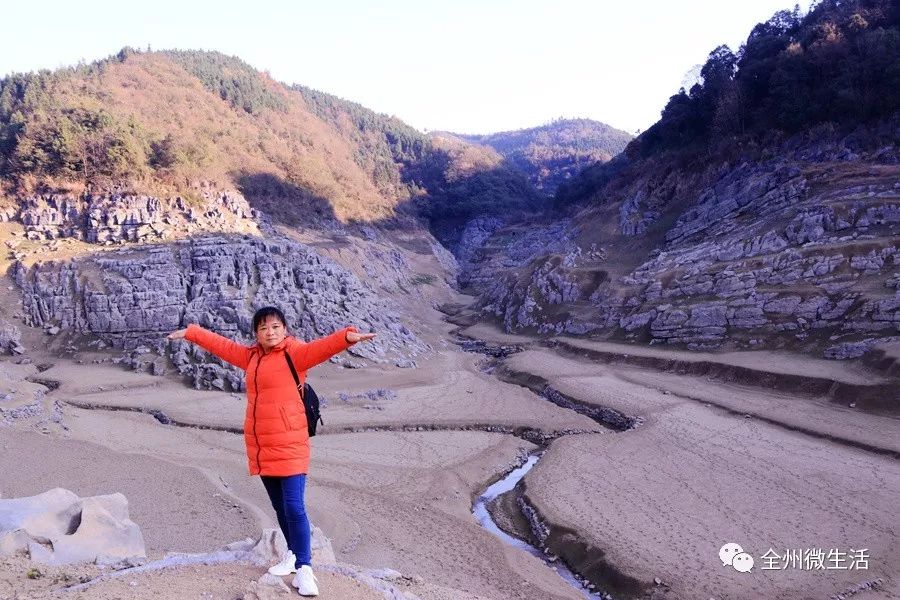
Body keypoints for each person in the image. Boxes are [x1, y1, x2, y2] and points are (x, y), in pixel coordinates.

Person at [167, 307, 376, 596]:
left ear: (285, 328)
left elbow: (322, 348)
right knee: (280, 507)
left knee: (294, 506)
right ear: (256, 333)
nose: (270, 332)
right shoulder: (252, 357)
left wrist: (347, 337)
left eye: (276, 327)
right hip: (263, 445)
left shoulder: (296, 354)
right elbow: (223, 346)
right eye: (264, 328)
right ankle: (291, 555)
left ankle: (304, 569)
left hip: (291, 444)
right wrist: (193, 333)